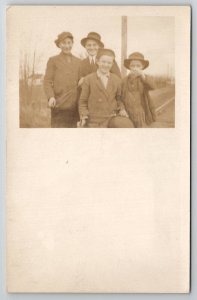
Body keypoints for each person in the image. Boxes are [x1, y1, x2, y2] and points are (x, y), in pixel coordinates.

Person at [78, 48, 133, 128]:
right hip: (93, 120)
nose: (106, 65)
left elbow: (119, 99)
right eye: (103, 62)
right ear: (97, 62)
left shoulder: (116, 80)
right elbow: (83, 101)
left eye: (109, 63)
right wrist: (84, 116)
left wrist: (122, 109)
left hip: (111, 119)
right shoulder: (88, 79)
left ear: (112, 64)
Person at [44, 32, 81, 128]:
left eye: (69, 43)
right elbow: (47, 81)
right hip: (59, 106)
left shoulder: (79, 61)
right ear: (59, 45)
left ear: (72, 43)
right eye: (64, 43)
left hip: (75, 108)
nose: (67, 46)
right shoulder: (53, 60)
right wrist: (51, 97)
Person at [121, 52, 155, 128]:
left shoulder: (144, 79)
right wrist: (122, 109)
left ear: (142, 67)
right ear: (129, 67)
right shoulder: (123, 81)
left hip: (141, 112)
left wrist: (143, 75)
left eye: (138, 66)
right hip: (127, 112)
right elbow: (119, 97)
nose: (135, 68)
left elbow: (152, 86)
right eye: (132, 66)